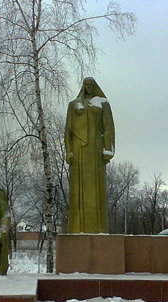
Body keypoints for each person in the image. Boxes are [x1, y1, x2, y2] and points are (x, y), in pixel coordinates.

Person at [65, 77, 115, 233]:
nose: (88, 87)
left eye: (90, 85)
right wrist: (68, 151)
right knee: (77, 192)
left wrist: (109, 150)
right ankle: (77, 229)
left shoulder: (102, 103)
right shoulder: (74, 105)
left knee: (97, 191)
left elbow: (108, 127)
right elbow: (68, 131)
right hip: (79, 149)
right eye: (86, 84)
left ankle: (99, 230)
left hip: (96, 148)